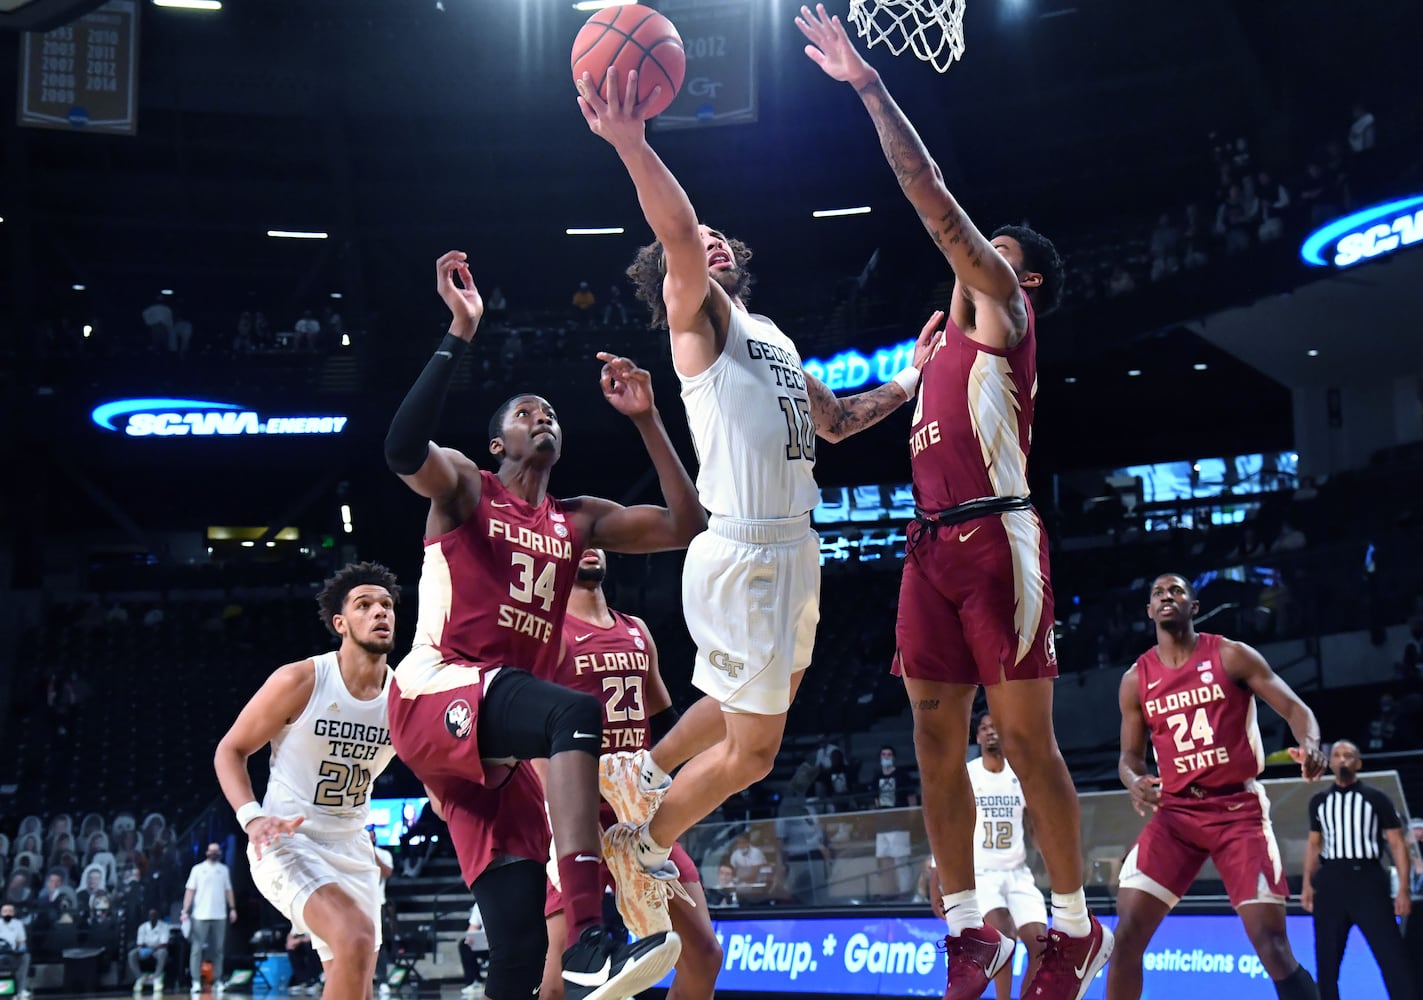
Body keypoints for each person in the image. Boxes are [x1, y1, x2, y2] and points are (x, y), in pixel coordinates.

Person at [576, 55, 937, 929]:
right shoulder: (696, 323)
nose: (709, 243)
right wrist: (631, 144)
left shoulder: (768, 333)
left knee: (747, 704)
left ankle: (640, 779)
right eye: (695, 247)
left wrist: (912, 381)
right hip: (745, 551)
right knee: (755, 751)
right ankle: (641, 844)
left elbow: (839, 422)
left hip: (793, 547)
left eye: (717, 239)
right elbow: (675, 227)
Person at [795, 8, 1103, 998]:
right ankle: (969, 926)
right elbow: (839, 426)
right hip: (925, 548)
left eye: (990, 245)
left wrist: (868, 88)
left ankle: (1068, 925)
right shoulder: (935, 356)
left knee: (1024, 739)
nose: (968, 249)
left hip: (998, 535)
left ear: (1024, 277)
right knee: (932, 737)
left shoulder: (1007, 315)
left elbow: (929, 197)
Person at [381, 250, 705, 1000]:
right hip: (438, 689)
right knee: (574, 710)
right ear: (500, 443)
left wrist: (649, 420)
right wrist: (459, 333)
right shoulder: (468, 488)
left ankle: (572, 940)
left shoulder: (577, 519)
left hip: (498, 733)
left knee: (522, 943)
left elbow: (686, 524)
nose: (543, 416)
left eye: (550, 411)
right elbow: (400, 450)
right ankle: (594, 931)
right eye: (526, 413)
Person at [1110, 573, 1326, 1000]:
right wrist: (1135, 781)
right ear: (1150, 612)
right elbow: (1129, 758)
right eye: (1158, 593)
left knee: (1272, 945)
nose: (1167, 597)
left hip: (1236, 811)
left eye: (1176, 591)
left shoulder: (1231, 655)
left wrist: (1312, 743)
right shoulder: (1136, 679)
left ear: (1194, 606)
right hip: (1174, 815)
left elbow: (1295, 709)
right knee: (1127, 936)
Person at [538, 548, 722, 1000]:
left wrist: (697, 775)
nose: (591, 546)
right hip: (581, 813)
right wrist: (560, 808)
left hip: (638, 815)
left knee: (704, 954)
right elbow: (531, 735)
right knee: (561, 979)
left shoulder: (636, 629)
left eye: (598, 539)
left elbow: (665, 721)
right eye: (579, 540)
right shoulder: (544, 635)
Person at [213, 562, 400, 1000]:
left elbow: (437, 767)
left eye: (387, 605)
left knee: (357, 985)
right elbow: (230, 750)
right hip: (287, 841)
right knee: (354, 936)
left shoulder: (403, 697)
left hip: (354, 849)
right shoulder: (301, 679)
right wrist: (252, 819)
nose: (380, 613)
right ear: (341, 623)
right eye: (365, 605)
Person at [1302, 740, 1414, 1000]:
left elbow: (1397, 844)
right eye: (1338, 755)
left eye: (1349, 756)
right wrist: (1307, 884)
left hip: (1367, 879)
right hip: (1331, 881)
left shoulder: (1376, 798)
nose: (1342, 760)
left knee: (1391, 956)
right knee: (1326, 962)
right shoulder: (1318, 801)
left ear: (1358, 763)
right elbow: (1314, 845)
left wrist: (1404, 890)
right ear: (1330, 763)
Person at [953, 713, 1047, 1000]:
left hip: (1018, 873)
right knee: (1003, 940)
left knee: (1042, 947)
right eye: (984, 728)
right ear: (978, 737)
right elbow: (952, 821)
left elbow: (1034, 824)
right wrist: (935, 871)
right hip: (983, 874)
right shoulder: (969, 773)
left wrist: (1048, 857)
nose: (990, 732)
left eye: (995, 727)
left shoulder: (1020, 773)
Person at [181, 844, 235, 993]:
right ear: (206, 852)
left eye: (216, 851)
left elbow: (228, 890)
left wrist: (233, 908)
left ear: (220, 853)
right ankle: (196, 981)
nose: (214, 853)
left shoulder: (224, 870)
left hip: (219, 915)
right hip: (200, 915)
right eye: (211, 850)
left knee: (218, 949)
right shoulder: (197, 869)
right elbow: (190, 891)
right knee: (197, 949)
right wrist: (185, 910)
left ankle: (217, 980)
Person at [129, 908, 171, 993]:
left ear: (157, 916)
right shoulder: (142, 927)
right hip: (145, 949)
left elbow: (164, 943)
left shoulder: (164, 926)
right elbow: (140, 943)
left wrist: (153, 949)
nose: (152, 917)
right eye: (151, 916)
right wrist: (146, 948)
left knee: (163, 952)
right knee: (132, 954)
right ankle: (139, 977)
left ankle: (156, 977)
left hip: (158, 949)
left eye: (154, 915)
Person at [0, 902, 31, 1000]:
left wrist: (22, 949)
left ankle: (20, 990)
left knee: (26, 957)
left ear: (13, 913)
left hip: (11, 953)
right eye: (5, 911)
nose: (7, 913)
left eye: (10, 911)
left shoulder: (18, 924)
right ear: (1, 913)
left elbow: (22, 942)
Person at [458, 903, 487, 999]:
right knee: (465, 945)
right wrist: (470, 937)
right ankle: (474, 982)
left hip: (501, 941)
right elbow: (473, 926)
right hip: (484, 942)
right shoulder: (479, 904)